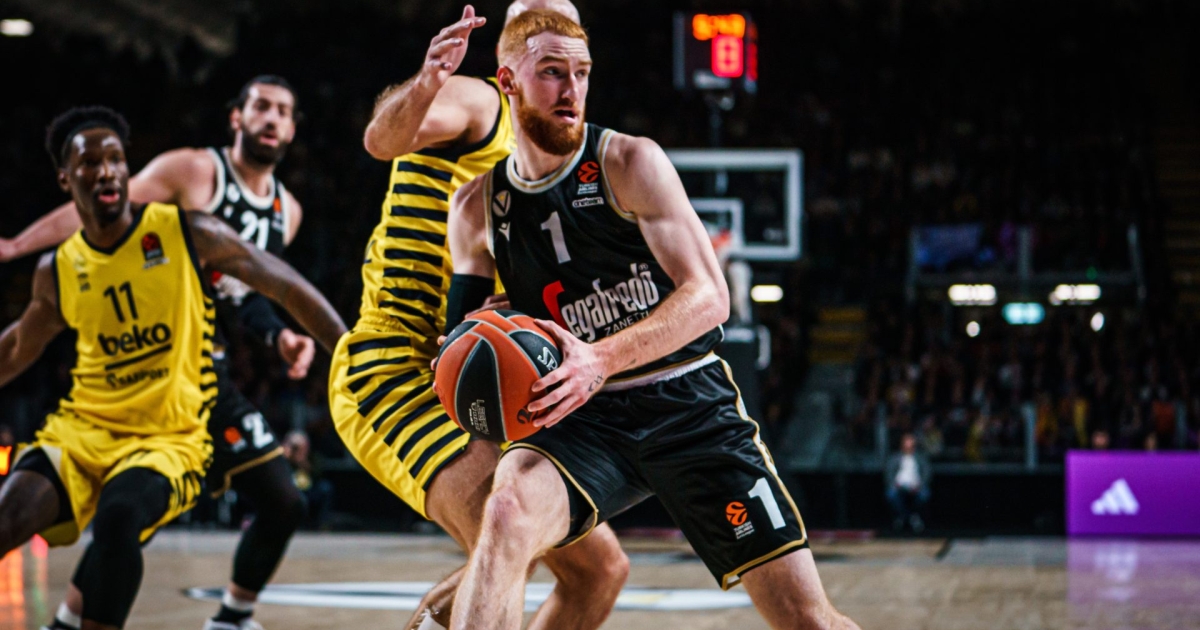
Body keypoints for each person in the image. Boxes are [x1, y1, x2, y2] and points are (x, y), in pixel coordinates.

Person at [443, 11, 860, 630]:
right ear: (507, 81)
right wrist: (473, 347)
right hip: (579, 418)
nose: (572, 90)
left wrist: (599, 357)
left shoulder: (629, 161)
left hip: (686, 405)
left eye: (582, 73)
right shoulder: (477, 207)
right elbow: (462, 342)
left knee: (807, 620)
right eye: (552, 72)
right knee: (506, 515)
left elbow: (710, 296)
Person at [332, 3, 627, 629]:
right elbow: (382, 140)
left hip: (479, 369)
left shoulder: (562, 167)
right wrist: (429, 79)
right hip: (399, 365)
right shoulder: (480, 104)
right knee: (507, 541)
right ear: (510, 65)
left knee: (599, 572)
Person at [0, 106, 346, 630]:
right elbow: (15, 349)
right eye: (90, 163)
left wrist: (348, 349)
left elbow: (283, 283)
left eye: (116, 159)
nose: (106, 171)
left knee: (120, 520)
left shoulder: (188, 232)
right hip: (83, 430)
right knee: (9, 515)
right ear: (66, 180)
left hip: (171, 436)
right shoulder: (58, 268)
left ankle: (228, 614)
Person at [884, 432, 932, 533]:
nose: (909, 447)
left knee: (925, 495)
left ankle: (912, 516)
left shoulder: (920, 457)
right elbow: (889, 474)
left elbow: (927, 472)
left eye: (911, 444)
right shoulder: (894, 458)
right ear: (902, 445)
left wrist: (919, 485)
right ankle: (906, 516)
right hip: (898, 486)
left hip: (916, 486)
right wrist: (894, 484)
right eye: (906, 444)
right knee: (891, 495)